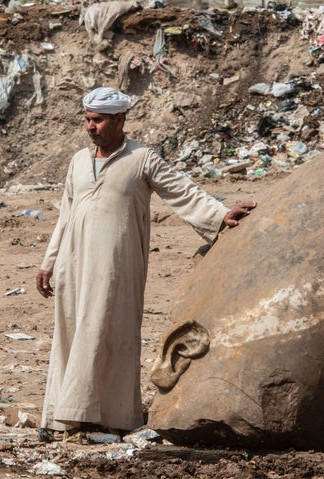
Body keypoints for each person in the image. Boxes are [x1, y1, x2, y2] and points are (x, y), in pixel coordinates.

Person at [36, 86, 256, 436]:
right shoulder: (78, 161)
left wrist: (220, 214)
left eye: (98, 120)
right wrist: (48, 262)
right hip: (72, 264)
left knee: (108, 332)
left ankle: (109, 417)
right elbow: (65, 214)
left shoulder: (142, 159)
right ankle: (63, 414)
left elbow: (182, 191)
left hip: (116, 267)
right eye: (88, 120)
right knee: (72, 332)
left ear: (119, 119)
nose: (91, 127)